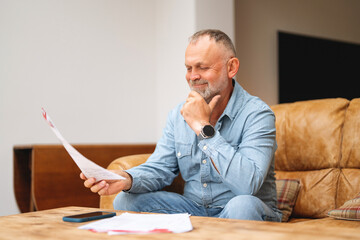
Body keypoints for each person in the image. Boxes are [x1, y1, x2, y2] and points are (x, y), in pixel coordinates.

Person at [81, 29, 282, 222]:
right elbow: (160, 168)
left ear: (231, 68)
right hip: (194, 209)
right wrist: (127, 178)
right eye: (188, 68)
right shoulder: (178, 115)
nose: (192, 76)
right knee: (126, 200)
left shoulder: (257, 114)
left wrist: (204, 129)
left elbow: (248, 185)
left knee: (242, 205)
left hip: (242, 211)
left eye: (202, 67)